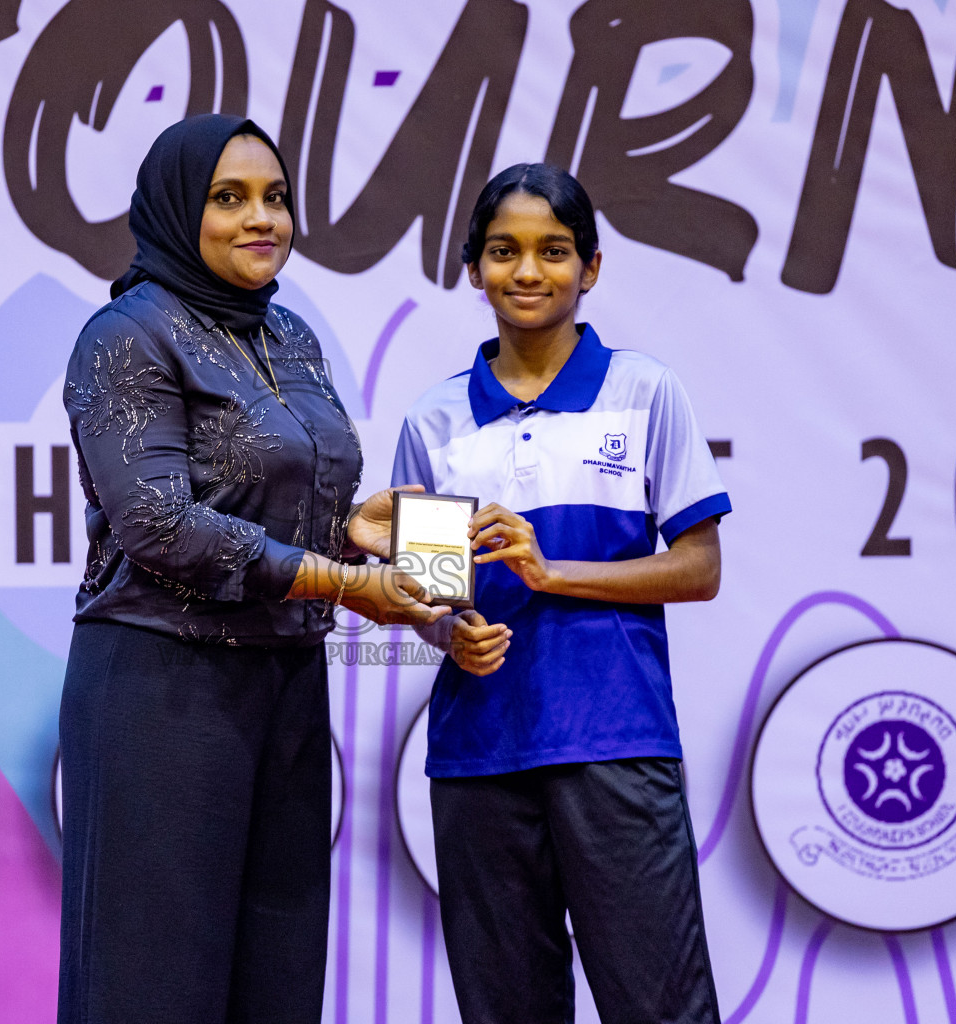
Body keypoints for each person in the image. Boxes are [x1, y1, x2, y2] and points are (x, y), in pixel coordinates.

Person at [59, 114, 446, 1024]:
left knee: (276, 975)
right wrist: (346, 585)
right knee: (152, 985)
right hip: (162, 688)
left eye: (274, 197)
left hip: (283, 682)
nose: (260, 218)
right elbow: (159, 524)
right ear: (174, 210)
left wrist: (360, 531)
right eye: (228, 199)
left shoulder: (290, 338)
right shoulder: (127, 335)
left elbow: (272, 503)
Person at [392, 163, 729, 1024]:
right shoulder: (433, 422)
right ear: (474, 269)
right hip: (478, 757)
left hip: (616, 740)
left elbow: (699, 568)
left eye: (554, 250)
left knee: (661, 1009)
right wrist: (452, 629)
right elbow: (432, 600)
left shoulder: (645, 391)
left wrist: (553, 573)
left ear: (592, 267)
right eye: (504, 252)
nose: (529, 271)